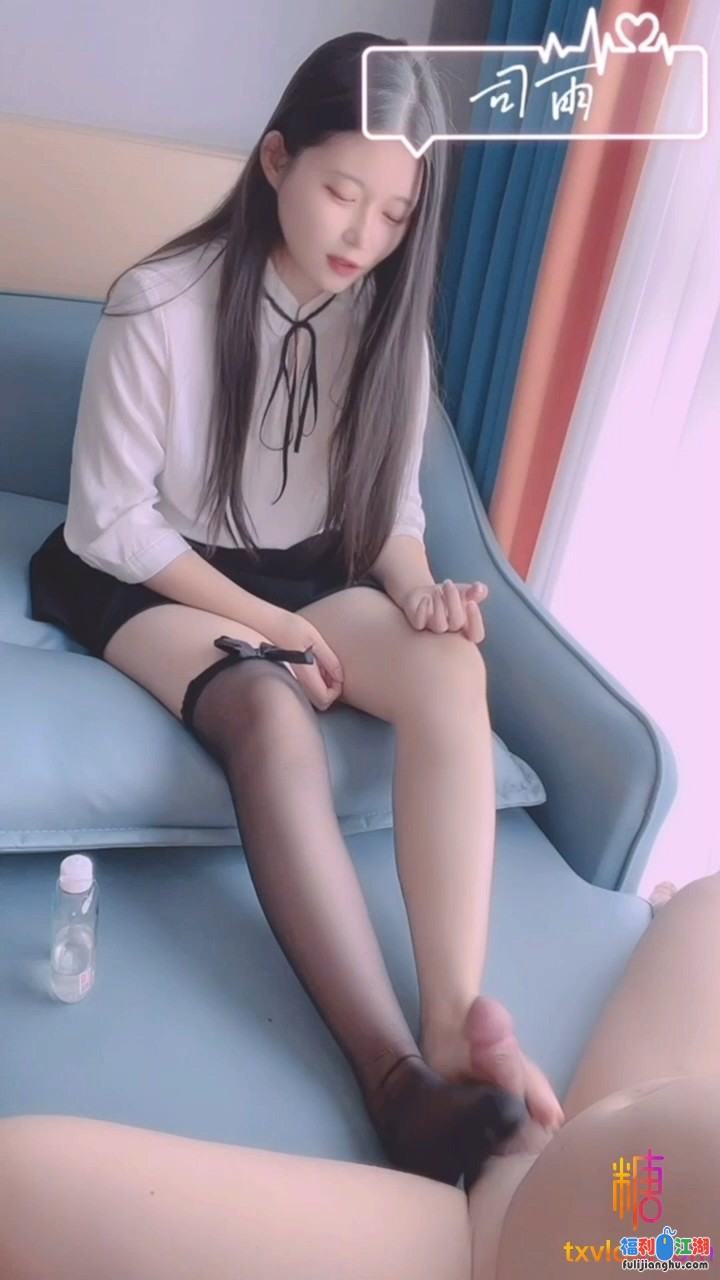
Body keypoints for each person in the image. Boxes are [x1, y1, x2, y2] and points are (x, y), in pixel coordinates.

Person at [28, 29, 565, 1193]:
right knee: (271, 714)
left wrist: (420, 590)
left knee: (451, 669)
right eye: (341, 192)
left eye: (394, 213)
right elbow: (111, 524)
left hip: (310, 570)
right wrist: (273, 631)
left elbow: (392, 514)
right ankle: (393, 1082)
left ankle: (451, 1028)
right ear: (276, 159)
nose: (362, 235)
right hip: (151, 569)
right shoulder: (160, 301)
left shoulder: (386, 326)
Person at [2, 875, 719, 1279]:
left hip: (495, 1252)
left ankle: (525, 1179)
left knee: (15, 1183)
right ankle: (527, 1162)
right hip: (611, 1190)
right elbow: (666, 1248)